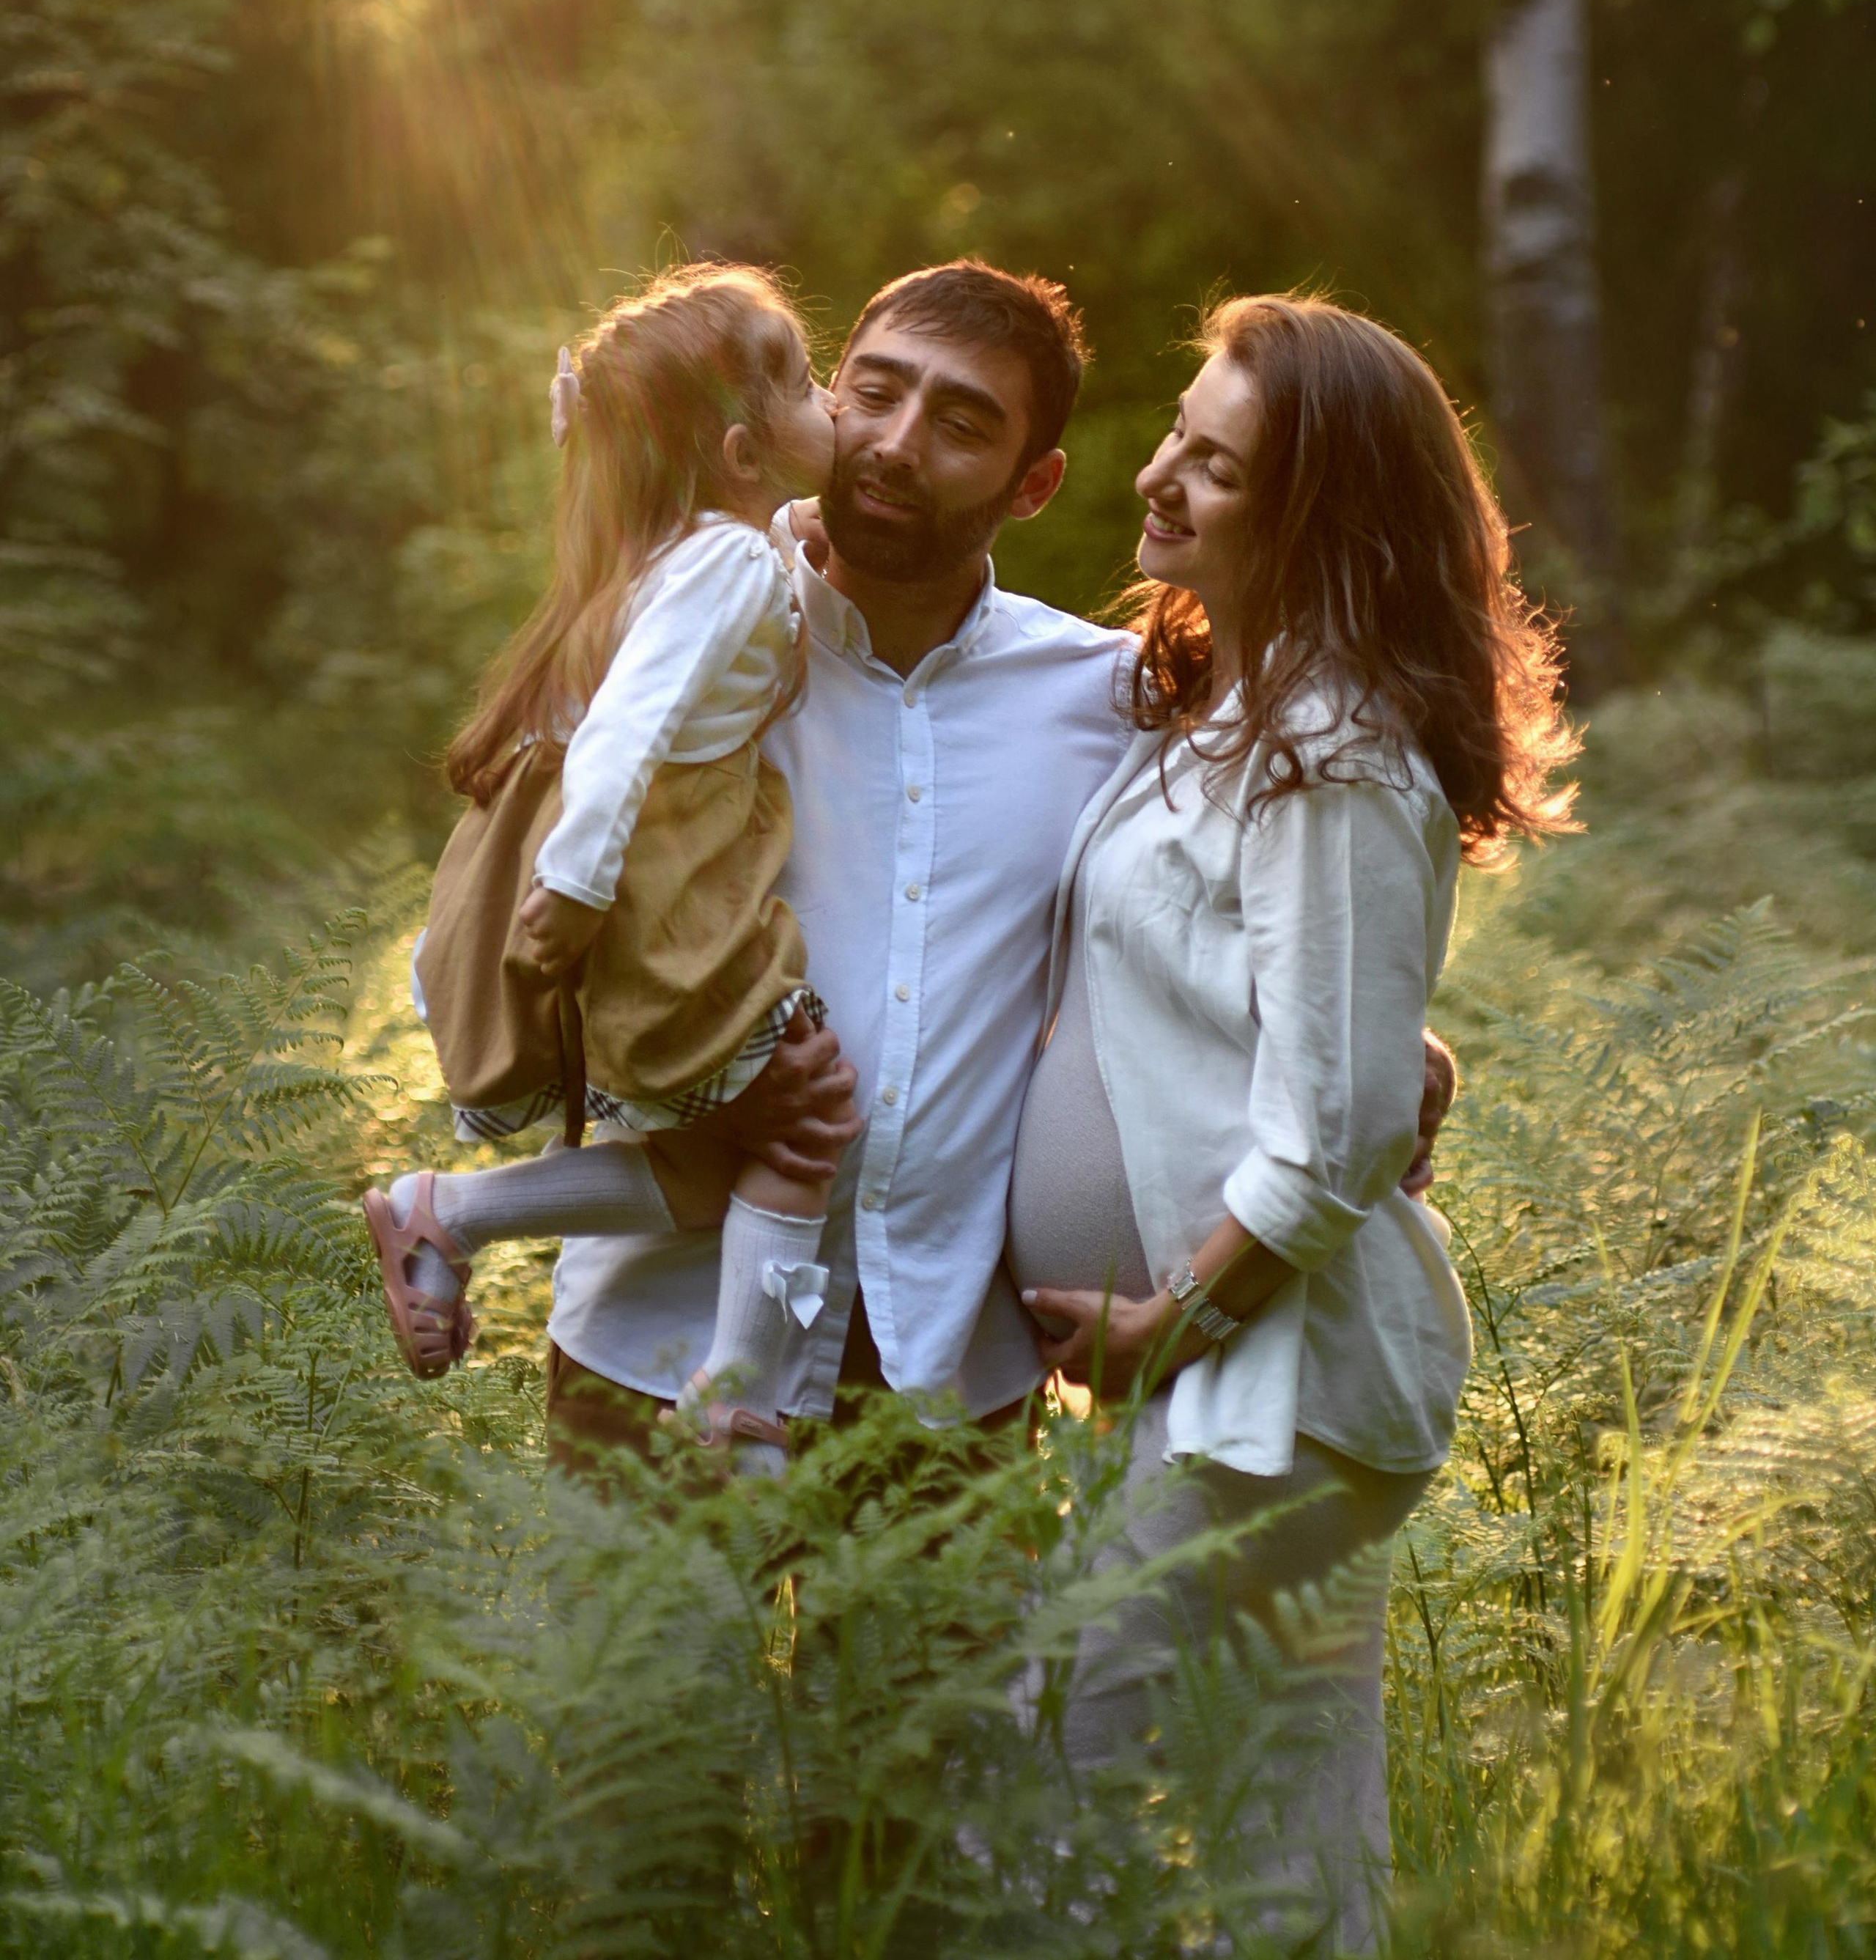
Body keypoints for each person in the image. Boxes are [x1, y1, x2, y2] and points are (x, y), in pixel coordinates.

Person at [1006, 292, 1573, 1946]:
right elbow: (1301, 1021)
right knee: (1294, 1840)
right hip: (1253, 1389)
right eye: (1177, 436)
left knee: (1042, 1768)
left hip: (1267, 1391)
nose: (1163, 479)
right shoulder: (1234, 717)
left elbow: (1327, 1138)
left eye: (1222, 469)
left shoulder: (1325, 751)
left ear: (1319, 515)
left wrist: (1158, 1326)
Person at [539, 259, 1137, 1462]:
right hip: (659, 1332)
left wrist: (1394, 1050)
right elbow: (535, 874)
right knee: (651, 1664)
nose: (895, 443)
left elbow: (1218, 908)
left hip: (945, 1366)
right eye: (874, 391)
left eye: (962, 422)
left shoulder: (1107, 699)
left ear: (1037, 485)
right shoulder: (692, 614)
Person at [363, 262, 847, 1465]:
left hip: (643, 887)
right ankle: (740, 1397)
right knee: (808, 1121)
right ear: (743, 452)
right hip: (662, 900)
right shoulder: (727, 566)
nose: (832, 395)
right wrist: (576, 892)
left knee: (695, 1169)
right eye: (805, 381)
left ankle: (448, 1212)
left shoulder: (701, 545)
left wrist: (795, 527)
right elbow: (628, 728)